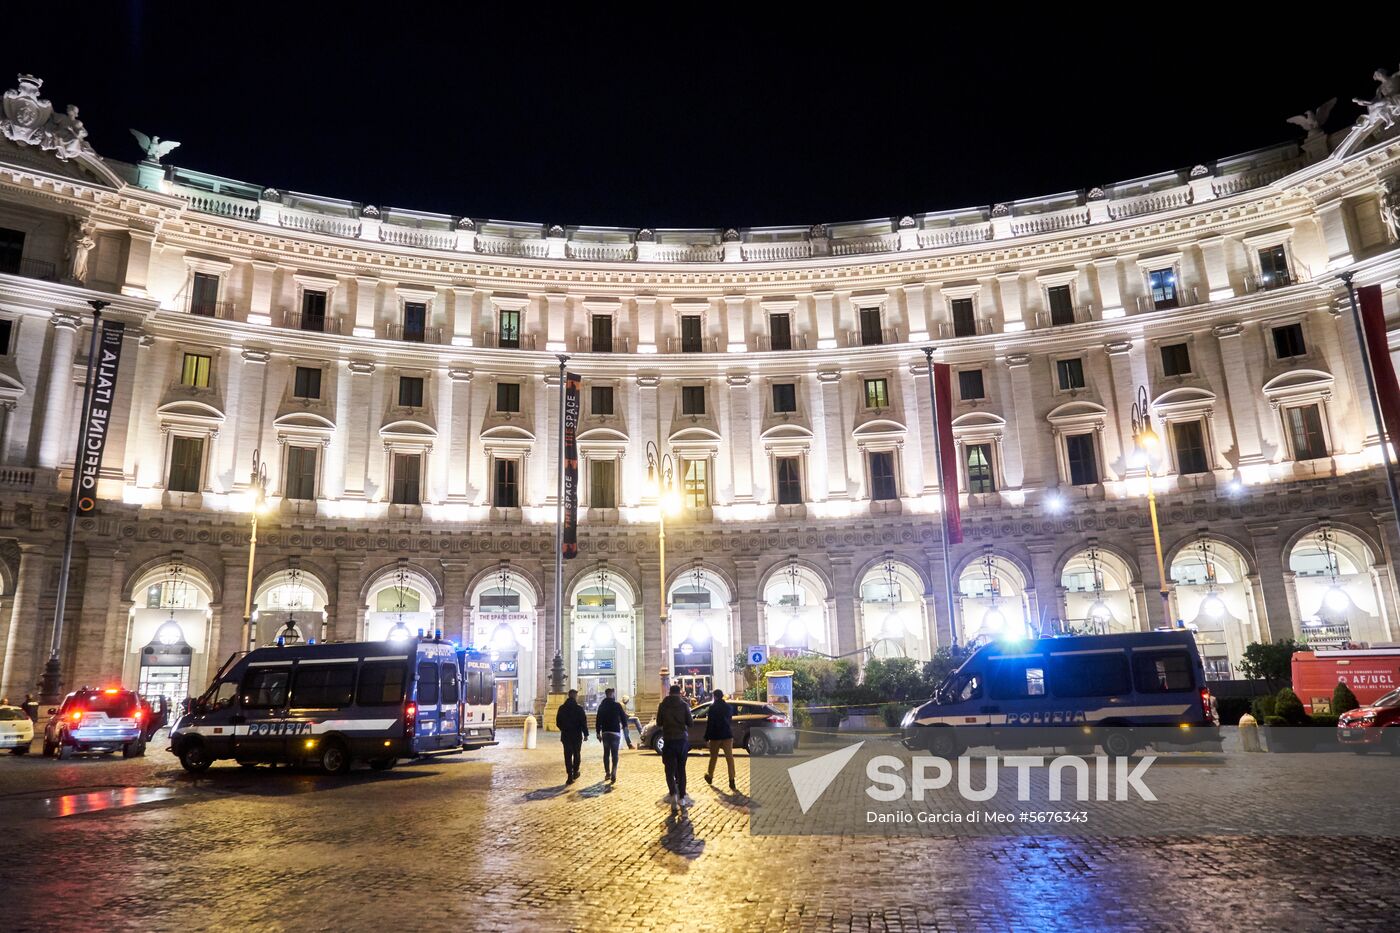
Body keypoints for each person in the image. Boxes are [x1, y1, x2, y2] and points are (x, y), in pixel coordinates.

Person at [656, 684, 693, 810]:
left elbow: (658, 723)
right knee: (681, 770)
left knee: (669, 770)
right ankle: (682, 798)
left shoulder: (663, 705)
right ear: (679, 693)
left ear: (670, 692)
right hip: (681, 740)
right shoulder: (684, 705)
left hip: (669, 740)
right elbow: (690, 723)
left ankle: (673, 795)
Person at [594, 687, 632, 783]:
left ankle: (607, 773)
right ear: (612, 694)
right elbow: (623, 717)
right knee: (614, 753)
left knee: (606, 753)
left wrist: (598, 733)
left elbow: (598, 720)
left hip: (605, 732)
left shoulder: (602, 706)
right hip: (615, 732)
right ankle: (614, 771)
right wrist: (625, 726)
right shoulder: (617, 705)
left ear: (606, 694)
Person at [702, 688, 737, 792]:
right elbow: (729, 720)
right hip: (727, 734)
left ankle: (710, 776)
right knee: (729, 758)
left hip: (715, 736)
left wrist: (706, 737)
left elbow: (710, 723)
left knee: (713, 757)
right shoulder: (728, 707)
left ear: (715, 696)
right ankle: (732, 780)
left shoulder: (712, 708)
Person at [555, 689, 589, 783]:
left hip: (566, 735)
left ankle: (569, 775)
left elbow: (558, 722)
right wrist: (585, 734)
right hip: (576, 735)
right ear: (575, 696)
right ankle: (575, 771)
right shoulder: (579, 708)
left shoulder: (562, 708)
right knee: (577, 754)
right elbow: (583, 722)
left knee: (567, 755)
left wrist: (564, 729)